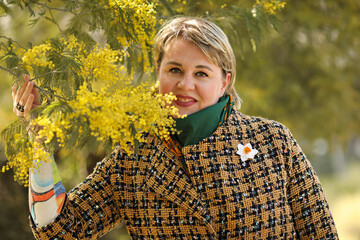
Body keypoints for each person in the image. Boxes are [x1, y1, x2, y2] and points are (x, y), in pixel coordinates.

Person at [12, 16, 338, 239]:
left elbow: (321, 232)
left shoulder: (273, 140)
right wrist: (37, 143)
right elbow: (57, 230)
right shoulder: (132, 159)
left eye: (201, 73)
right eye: (174, 69)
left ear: (225, 81)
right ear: (158, 71)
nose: (185, 84)